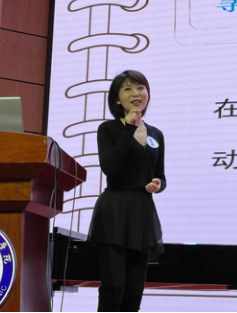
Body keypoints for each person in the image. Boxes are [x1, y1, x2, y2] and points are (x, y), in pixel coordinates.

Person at [88, 70, 166, 312]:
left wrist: (158, 184)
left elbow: (160, 175)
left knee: (134, 294)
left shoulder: (156, 134)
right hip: (114, 212)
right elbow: (109, 167)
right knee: (113, 289)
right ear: (117, 99)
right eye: (128, 89)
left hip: (142, 215)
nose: (136, 94)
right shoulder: (108, 129)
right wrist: (129, 129)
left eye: (141, 88)